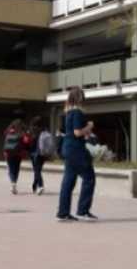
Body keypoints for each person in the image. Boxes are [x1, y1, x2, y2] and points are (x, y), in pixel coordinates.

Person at [56, 86, 97, 222]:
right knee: (89, 177)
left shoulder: (68, 113)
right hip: (76, 149)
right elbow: (77, 132)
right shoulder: (78, 113)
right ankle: (83, 211)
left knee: (68, 181)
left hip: (67, 149)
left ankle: (63, 213)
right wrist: (89, 126)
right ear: (80, 98)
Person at [3, 119, 31, 195]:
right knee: (16, 168)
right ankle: (14, 182)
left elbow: (5, 139)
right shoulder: (22, 132)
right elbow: (27, 141)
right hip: (18, 153)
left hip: (9, 153)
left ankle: (13, 183)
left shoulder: (8, 131)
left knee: (11, 168)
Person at [30, 117, 53, 195]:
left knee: (37, 170)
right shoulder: (45, 131)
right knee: (38, 170)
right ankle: (35, 185)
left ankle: (40, 185)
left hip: (35, 153)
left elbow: (30, 142)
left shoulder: (33, 130)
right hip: (44, 154)